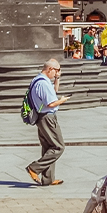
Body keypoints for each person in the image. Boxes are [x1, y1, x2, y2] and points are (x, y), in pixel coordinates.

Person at [25, 59, 69, 187]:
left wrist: (57, 79)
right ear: (50, 69)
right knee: (58, 146)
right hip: (47, 118)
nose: (57, 74)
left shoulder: (39, 80)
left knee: (48, 147)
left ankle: (48, 179)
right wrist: (62, 101)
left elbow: (53, 92)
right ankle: (34, 168)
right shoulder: (43, 84)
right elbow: (50, 103)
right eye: (56, 71)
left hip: (41, 116)